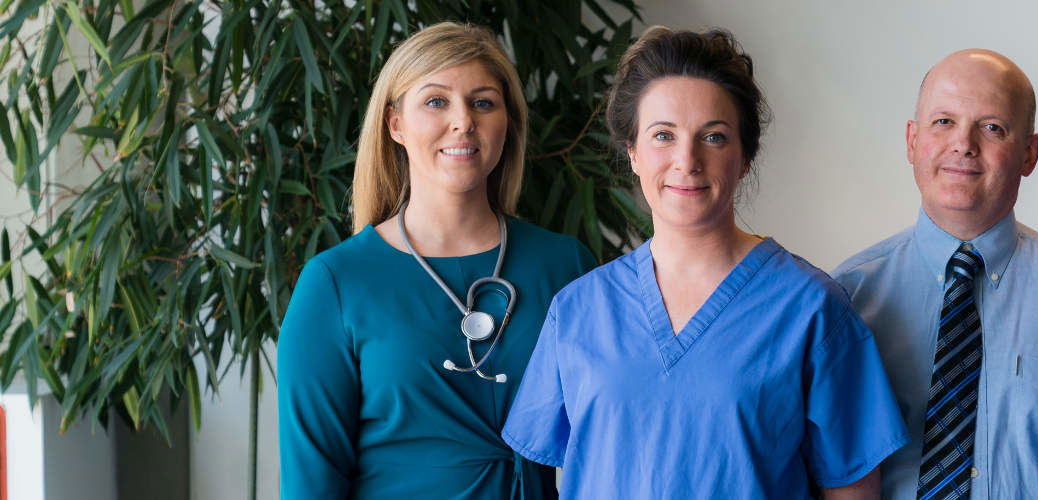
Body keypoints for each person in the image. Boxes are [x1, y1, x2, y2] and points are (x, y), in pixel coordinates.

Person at [500, 26, 908, 499]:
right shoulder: (578, 310)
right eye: (662, 136)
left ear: (745, 157)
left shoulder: (809, 307)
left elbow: (853, 489)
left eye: (713, 137)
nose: (686, 159)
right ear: (632, 152)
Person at [278, 22, 594, 499]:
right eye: (436, 101)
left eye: (483, 102)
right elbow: (311, 483)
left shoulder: (565, 265)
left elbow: (612, 438)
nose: (463, 120)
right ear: (395, 124)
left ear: (507, 124)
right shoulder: (336, 283)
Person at [832, 49, 1038, 499]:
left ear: (1030, 154)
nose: (963, 144)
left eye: (992, 127)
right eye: (943, 122)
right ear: (912, 141)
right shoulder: (848, 300)